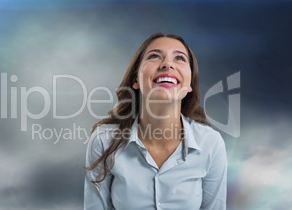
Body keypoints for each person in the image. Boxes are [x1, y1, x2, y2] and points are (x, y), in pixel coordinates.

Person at [84, 33, 227, 210]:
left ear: (190, 84)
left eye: (180, 58)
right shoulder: (103, 140)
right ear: (136, 79)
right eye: (154, 56)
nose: (168, 64)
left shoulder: (211, 143)